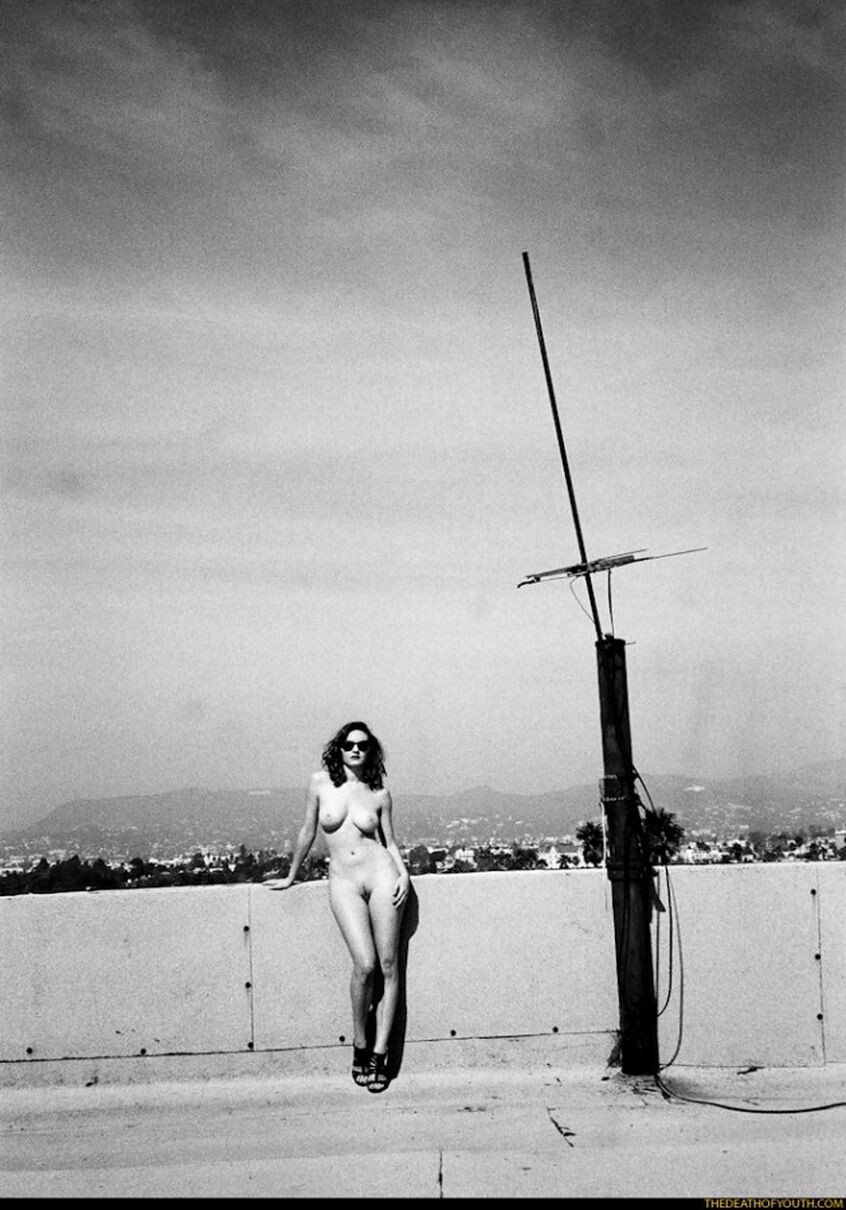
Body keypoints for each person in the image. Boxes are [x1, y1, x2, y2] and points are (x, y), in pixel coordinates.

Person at [264, 721, 410, 1093]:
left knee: (389, 967)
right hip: (343, 882)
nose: (355, 749)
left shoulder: (379, 793)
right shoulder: (319, 783)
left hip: (382, 877)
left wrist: (404, 875)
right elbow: (307, 831)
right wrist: (291, 875)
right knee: (365, 965)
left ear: (371, 750)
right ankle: (360, 1042)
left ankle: (379, 1055)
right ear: (339, 748)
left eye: (363, 744)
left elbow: (390, 843)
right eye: (348, 744)